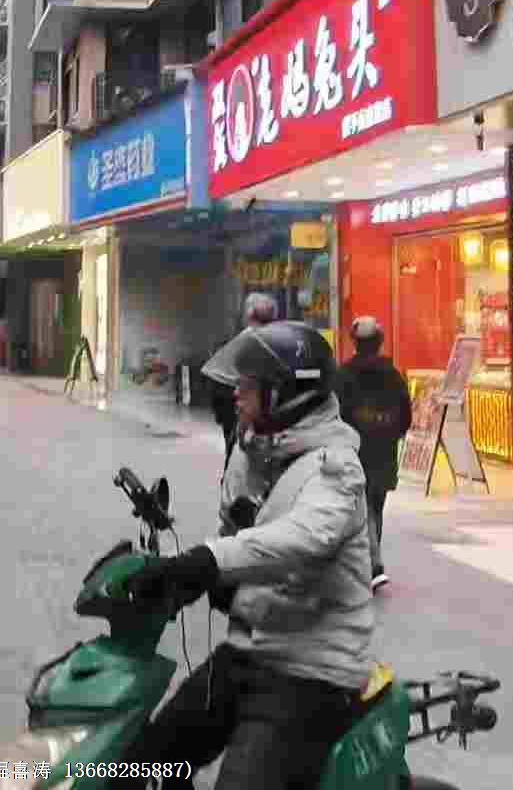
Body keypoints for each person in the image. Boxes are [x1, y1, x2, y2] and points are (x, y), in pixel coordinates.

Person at [115, 319, 375, 789]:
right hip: (248, 654)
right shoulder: (254, 453)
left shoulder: (336, 468)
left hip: (310, 672)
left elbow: (303, 538)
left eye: (249, 384)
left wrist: (208, 562)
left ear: (285, 394)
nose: (236, 393)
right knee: (143, 762)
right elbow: (237, 537)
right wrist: (184, 575)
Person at [335, 316, 411, 592]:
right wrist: (393, 432)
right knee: (375, 506)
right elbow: (405, 414)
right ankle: (372, 562)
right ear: (379, 342)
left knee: (365, 506)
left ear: (355, 342)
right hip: (384, 451)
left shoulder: (343, 375)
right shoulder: (393, 375)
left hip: (356, 451)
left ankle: (372, 564)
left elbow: (336, 412)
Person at [211, 293, 282, 458]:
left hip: (244, 425)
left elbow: (219, 385)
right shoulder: (283, 345)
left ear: (247, 316)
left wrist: (225, 417)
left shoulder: (237, 346)